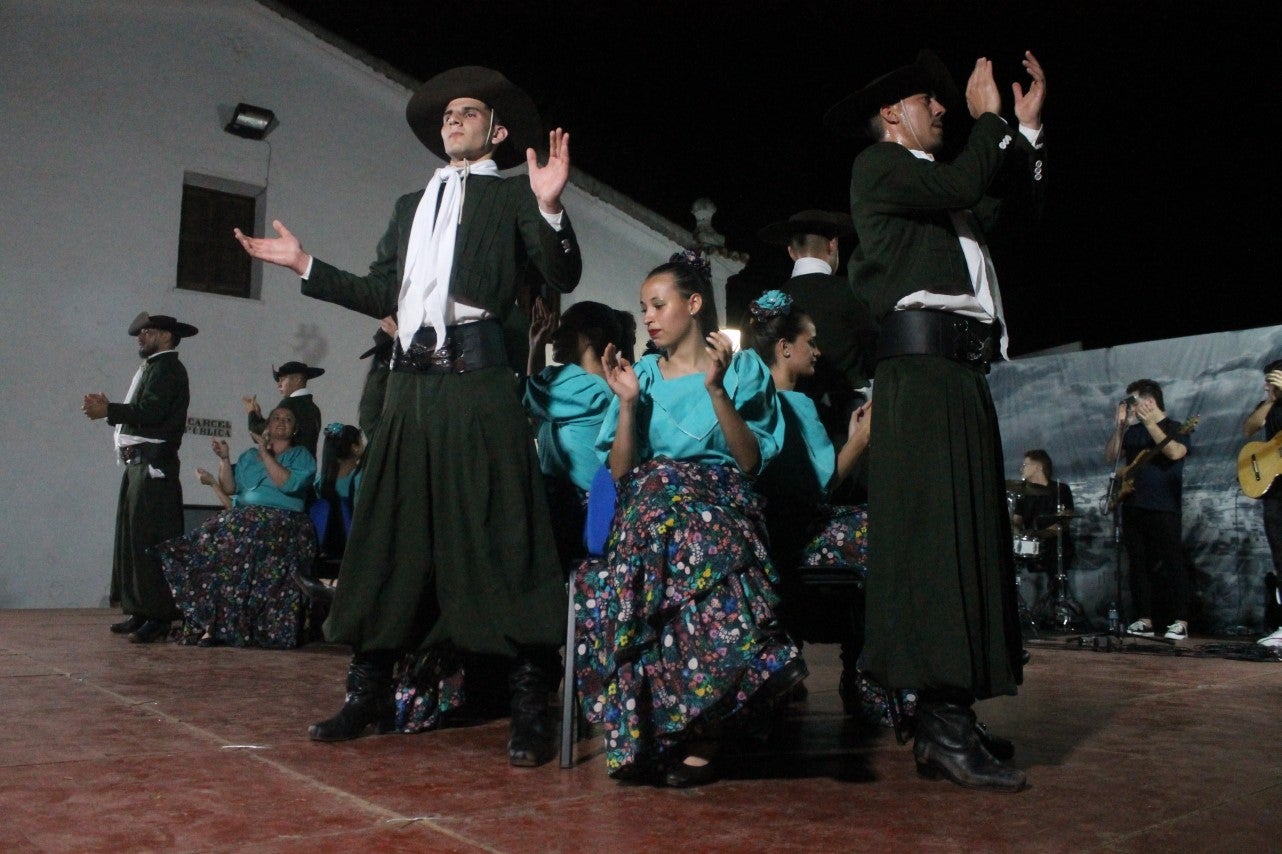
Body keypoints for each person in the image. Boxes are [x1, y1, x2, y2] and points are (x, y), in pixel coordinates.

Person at [233, 66, 581, 767]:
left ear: (497, 130)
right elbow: (378, 289)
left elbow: (561, 275)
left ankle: (528, 703)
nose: (452, 120)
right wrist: (305, 263)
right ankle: (368, 691)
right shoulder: (408, 205)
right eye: (447, 113)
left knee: (501, 530)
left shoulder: (514, 194)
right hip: (409, 387)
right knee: (388, 533)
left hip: (480, 384)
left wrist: (549, 210)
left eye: (466, 112)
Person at [825, 48, 1047, 792]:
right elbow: (965, 175)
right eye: (932, 100)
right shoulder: (880, 168)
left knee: (965, 539)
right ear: (894, 115)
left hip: (954, 376)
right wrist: (989, 122)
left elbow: (999, 202)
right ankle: (941, 726)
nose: (946, 109)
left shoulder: (937, 198)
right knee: (936, 543)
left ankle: (944, 717)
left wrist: (1022, 133)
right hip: (920, 377)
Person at [576, 253, 805, 788]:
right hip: (651, 509)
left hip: (720, 505)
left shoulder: (743, 369)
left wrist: (716, 389)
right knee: (658, 491)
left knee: (684, 521)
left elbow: (749, 462)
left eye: (659, 305)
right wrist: (628, 404)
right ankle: (749, 666)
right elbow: (622, 471)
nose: (649, 318)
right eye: (644, 309)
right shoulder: (642, 376)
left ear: (694, 303)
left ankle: (700, 728)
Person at [745, 289, 872, 706]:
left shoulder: (751, 403)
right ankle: (861, 673)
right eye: (810, 341)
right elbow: (823, 484)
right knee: (878, 529)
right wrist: (863, 439)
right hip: (795, 536)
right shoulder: (796, 404)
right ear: (784, 348)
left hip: (766, 535)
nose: (817, 351)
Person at [156, 407, 317, 647]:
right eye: (276, 418)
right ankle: (211, 625)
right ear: (267, 427)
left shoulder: (301, 456)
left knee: (241, 536)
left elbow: (286, 483)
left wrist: (265, 452)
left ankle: (238, 626)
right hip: (245, 518)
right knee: (210, 540)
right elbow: (231, 489)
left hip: (283, 519)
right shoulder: (249, 456)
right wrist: (224, 459)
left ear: (295, 429)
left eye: (288, 420)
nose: (281, 422)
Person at [82, 312, 196, 644]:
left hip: (153, 466)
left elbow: (152, 413)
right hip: (138, 465)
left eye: (146, 332)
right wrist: (112, 410)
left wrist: (110, 411)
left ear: (166, 336)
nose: (140, 337)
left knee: (152, 540)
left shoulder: (168, 369)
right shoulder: (154, 367)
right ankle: (141, 610)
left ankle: (160, 615)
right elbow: (144, 411)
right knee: (134, 539)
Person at [757, 210, 877, 458]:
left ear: (791, 251)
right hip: (849, 423)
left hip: (786, 425)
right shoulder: (853, 294)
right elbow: (876, 353)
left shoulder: (767, 305)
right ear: (832, 245)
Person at [522, 298, 629, 562]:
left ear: (591, 336)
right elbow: (535, 404)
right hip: (577, 506)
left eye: (565, 328)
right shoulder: (585, 386)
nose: (555, 335)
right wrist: (536, 346)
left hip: (575, 508)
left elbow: (525, 395)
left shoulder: (585, 387)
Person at [1106, 379, 1192, 641]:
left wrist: (1149, 422)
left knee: (1172, 562)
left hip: (1164, 506)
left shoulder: (1175, 427)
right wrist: (1120, 427)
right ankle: (1144, 618)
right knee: (1138, 564)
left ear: (1150, 402)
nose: (1130, 409)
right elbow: (1112, 457)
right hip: (1132, 504)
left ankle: (1181, 620)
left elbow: (1175, 452)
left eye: (1133, 403)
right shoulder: (1132, 431)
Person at [1243, 359, 1282, 648]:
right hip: (1275, 490)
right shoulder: (1270, 405)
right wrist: (1270, 399)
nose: (1269, 384)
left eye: (1273, 379)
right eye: (1268, 381)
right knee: (1280, 556)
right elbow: (1250, 427)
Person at [1011, 449, 1075, 574]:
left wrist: (1038, 534)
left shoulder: (1061, 490)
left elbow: (1064, 522)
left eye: (1025, 465)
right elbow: (1016, 521)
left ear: (1038, 467)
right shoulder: (1023, 494)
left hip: (1056, 549)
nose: (1021, 469)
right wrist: (1017, 531)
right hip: (1030, 548)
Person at [244, 362, 323, 460]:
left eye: (282, 379)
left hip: (287, 467)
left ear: (297, 379)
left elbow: (259, 435)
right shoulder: (314, 408)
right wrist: (259, 416)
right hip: (305, 468)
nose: (279, 385)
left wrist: (251, 413)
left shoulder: (288, 405)